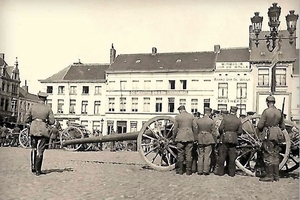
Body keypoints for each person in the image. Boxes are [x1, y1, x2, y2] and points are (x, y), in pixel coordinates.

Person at [25, 91, 55, 176]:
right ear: (45, 99)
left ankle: (33, 167)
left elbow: (26, 118)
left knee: (33, 148)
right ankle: (38, 170)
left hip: (33, 128)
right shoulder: (48, 108)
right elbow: (52, 121)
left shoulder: (32, 107)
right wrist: (46, 121)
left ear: (38, 97)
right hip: (43, 129)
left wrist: (32, 120)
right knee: (40, 150)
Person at [257, 95, 285, 182]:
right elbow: (283, 126)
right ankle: (276, 176)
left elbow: (259, 125)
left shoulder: (266, 112)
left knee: (268, 154)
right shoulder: (279, 112)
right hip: (277, 135)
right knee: (275, 154)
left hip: (269, 134)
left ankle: (269, 176)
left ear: (267, 102)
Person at [216, 106, 242, 177]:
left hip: (225, 138)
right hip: (234, 139)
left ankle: (220, 172)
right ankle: (231, 173)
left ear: (230, 110)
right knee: (232, 156)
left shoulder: (225, 118)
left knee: (222, 155)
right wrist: (234, 134)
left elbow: (220, 128)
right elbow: (240, 131)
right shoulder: (238, 120)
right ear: (236, 112)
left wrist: (223, 133)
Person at [173, 105, 197, 175]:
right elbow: (195, 127)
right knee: (188, 154)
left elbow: (175, 129)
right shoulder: (191, 116)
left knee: (180, 154)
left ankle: (180, 171)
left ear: (180, 110)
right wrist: (195, 137)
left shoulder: (178, 117)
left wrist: (174, 138)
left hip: (180, 137)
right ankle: (188, 171)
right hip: (189, 137)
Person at [195, 107, 217, 175]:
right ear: (209, 113)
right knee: (207, 155)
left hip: (200, 139)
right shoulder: (211, 121)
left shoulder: (198, 121)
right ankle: (206, 171)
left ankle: (199, 171)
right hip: (209, 139)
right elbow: (214, 132)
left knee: (200, 155)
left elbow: (196, 130)